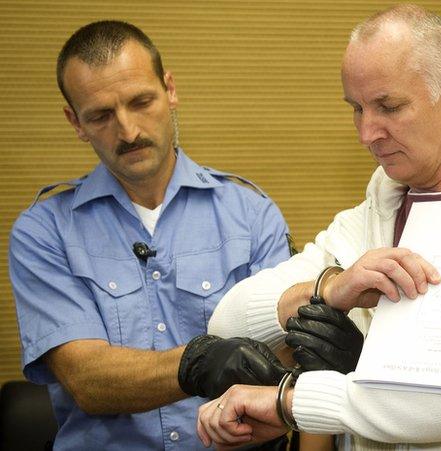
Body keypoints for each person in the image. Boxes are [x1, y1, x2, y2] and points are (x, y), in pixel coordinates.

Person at [197, 4, 441, 450]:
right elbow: (227, 321)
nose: (367, 133)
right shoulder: (366, 222)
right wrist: (329, 288)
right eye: (357, 108)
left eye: (388, 107)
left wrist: (290, 403)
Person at [9, 21, 294, 450]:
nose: (128, 131)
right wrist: (199, 362)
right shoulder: (43, 231)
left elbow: (284, 361)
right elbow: (88, 380)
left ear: (170, 90)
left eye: (141, 101)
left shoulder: (252, 215)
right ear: (75, 122)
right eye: (101, 115)